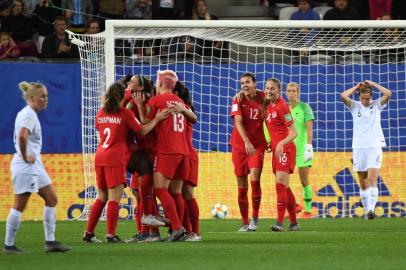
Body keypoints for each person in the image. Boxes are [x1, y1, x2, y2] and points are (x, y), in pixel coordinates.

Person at [82, 82, 169, 243]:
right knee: (114, 197)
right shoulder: (125, 113)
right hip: (115, 158)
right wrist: (156, 119)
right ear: (123, 96)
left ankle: (89, 233)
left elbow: (101, 128)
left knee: (102, 196)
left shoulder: (101, 113)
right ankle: (111, 235)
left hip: (100, 155)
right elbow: (141, 131)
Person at [4, 81, 71, 254]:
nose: (46, 99)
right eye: (42, 96)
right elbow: (22, 136)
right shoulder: (28, 115)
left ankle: (50, 242)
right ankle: (9, 245)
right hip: (25, 166)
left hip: (35, 166)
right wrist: (26, 155)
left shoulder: (30, 113)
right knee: (19, 205)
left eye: (46, 96)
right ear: (32, 98)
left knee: (52, 198)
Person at [145, 69, 193, 241]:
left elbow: (144, 124)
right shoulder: (180, 101)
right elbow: (192, 118)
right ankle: (179, 229)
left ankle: (177, 228)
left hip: (167, 150)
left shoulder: (156, 100)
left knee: (160, 189)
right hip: (184, 152)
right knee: (176, 192)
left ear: (160, 84)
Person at [340, 80, 391, 219]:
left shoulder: (377, 105)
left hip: (374, 146)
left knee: (372, 179)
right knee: (363, 182)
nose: (365, 101)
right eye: (362, 98)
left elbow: (388, 93)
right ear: (359, 97)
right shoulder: (355, 107)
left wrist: (373, 84)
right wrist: (356, 87)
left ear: (371, 97)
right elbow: (343, 96)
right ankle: (367, 210)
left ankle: (371, 210)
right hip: (358, 147)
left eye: (367, 98)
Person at [230, 73, 267, 232]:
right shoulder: (237, 100)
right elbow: (238, 121)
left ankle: (255, 219)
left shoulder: (264, 98)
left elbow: (273, 115)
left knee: (254, 181)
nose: (244, 85)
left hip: (257, 146)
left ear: (254, 84)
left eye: (247, 82)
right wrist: (245, 141)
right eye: (242, 83)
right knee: (241, 185)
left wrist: (272, 138)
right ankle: (244, 222)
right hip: (239, 146)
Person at [263, 78, 299, 232]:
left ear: (278, 91)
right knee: (285, 186)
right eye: (267, 88)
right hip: (278, 149)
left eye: (272, 89)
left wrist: (280, 144)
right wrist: (271, 143)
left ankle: (279, 222)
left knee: (279, 185)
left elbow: (294, 132)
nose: (269, 91)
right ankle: (293, 223)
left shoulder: (282, 106)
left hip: (286, 148)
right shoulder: (268, 105)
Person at [173, 81, 201, 241]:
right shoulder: (181, 108)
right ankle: (186, 231)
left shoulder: (183, 108)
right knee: (180, 194)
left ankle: (194, 232)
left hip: (187, 154)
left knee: (187, 193)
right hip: (182, 154)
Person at [285, 82, 314, 219]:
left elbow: (309, 128)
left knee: (304, 180)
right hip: (289, 150)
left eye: (294, 91)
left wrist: (309, 146)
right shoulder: (284, 109)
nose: (291, 93)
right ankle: (294, 207)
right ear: (286, 93)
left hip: (303, 150)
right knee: (283, 181)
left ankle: (307, 211)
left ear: (298, 92)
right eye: (289, 91)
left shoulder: (305, 107)